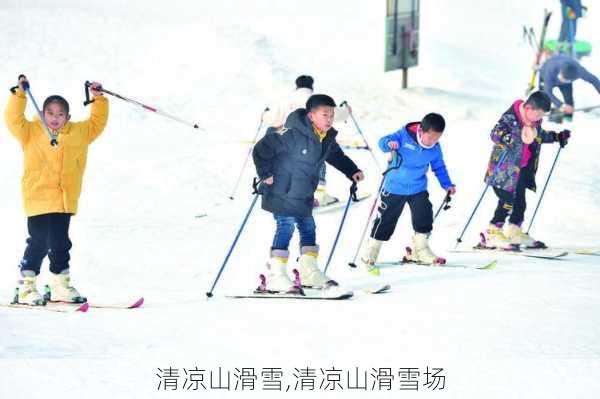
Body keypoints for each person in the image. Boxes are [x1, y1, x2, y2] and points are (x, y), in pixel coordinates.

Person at [4, 75, 109, 305]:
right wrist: (20, 94)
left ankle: (60, 284)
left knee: (61, 243)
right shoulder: (30, 132)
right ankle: (26, 286)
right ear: (42, 113)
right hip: (38, 198)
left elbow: (96, 123)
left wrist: (98, 99)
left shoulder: (79, 134)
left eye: (60, 114)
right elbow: (13, 119)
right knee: (39, 242)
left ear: (68, 117)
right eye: (50, 113)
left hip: (64, 200)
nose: (55, 118)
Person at [252, 94, 364, 293]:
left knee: (308, 227)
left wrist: (352, 170)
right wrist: (265, 173)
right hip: (281, 190)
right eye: (324, 115)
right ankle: (276, 276)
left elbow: (337, 156)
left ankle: (309, 272)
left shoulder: (326, 138)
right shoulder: (291, 133)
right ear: (311, 116)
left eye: (331, 115)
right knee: (285, 226)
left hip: (303, 193)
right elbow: (261, 149)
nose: (329, 119)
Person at [357, 113, 455, 274]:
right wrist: (390, 143)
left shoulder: (435, 148)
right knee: (386, 219)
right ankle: (371, 251)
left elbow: (439, 167)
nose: (432, 142)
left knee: (424, 215)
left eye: (437, 138)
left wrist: (447, 185)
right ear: (421, 131)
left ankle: (420, 250)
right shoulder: (403, 135)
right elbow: (382, 143)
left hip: (418, 188)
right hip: (395, 187)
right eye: (430, 138)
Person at [479, 91, 570, 250]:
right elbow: (494, 133)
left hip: (522, 171)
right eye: (538, 114)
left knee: (520, 203)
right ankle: (492, 233)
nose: (539, 118)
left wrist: (557, 137)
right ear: (528, 108)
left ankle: (514, 232)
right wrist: (506, 137)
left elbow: (539, 136)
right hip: (503, 171)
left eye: (542, 115)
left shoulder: (534, 123)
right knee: (508, 201)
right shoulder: (510, 118)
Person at [263, 75, 352, 207]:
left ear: (296, 86)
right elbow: (336, 114)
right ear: (311, 87)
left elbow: (272, 119)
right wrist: (346, 110)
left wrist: (265, 114)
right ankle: (320, 197)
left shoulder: (287, 101)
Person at [539, 54, 600, 121]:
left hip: (565, 82)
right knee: (542, 97)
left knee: (568, 98)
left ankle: (568, 120)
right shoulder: (551, 69)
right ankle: (539, 114)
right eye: (562, 77)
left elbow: (594, 80)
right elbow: (548, 92)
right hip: (546, 74)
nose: (562, 80)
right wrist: (561, 105)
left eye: (565, 79)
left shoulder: (579, 71)